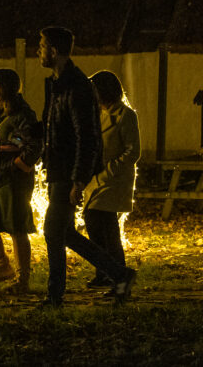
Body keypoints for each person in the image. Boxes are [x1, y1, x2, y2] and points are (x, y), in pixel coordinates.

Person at [38, 26, 137, 307]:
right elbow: (55, 129)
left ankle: (55, 294)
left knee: (53, 230)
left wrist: (79, 180)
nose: (38, 51)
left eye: (42, 46)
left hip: (67, 174)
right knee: (64, 232)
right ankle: (120, 274)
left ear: (54, 51)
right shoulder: (58, 85)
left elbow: (87, 136)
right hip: (59, 170)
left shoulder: (77, 87)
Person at [0, 68, 42, 294]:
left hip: (13, 180)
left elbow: (32, 147)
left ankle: (23, 279)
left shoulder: (24, 115)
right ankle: (2, 266)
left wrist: (14, 166)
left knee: (17, 226)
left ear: (4, 87)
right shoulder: (2, 112)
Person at [83, 70, 141, 290]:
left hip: (112, 181)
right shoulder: (99, 114)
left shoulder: (126, 115)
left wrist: (109, 169)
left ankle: (117, 276)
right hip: (98, 179)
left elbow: (132, 151)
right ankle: (107, 273)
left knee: (104, 226)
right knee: (97, 226)